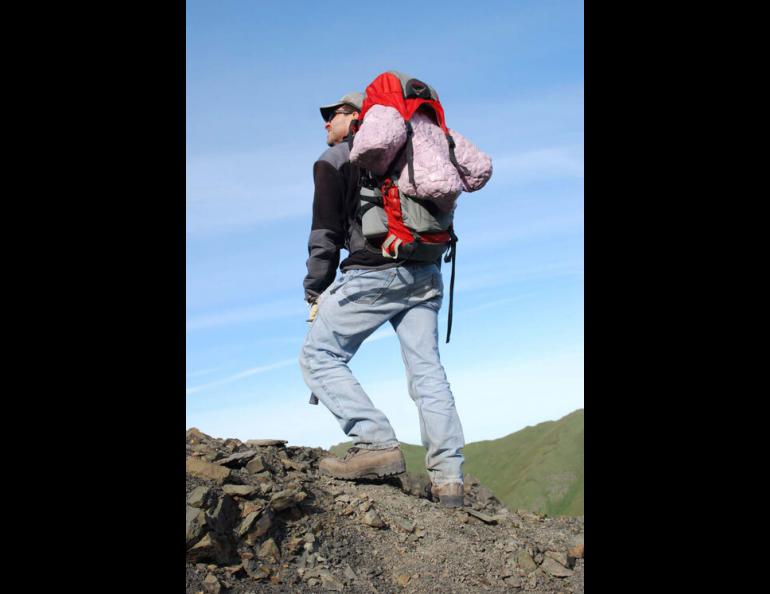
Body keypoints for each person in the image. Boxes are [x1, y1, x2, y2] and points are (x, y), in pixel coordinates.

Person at [298, 91, 466, 507]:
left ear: (356, 115)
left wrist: (315, 290)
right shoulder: (406, 150)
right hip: (425, 271)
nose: (326, 124)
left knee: (318, 355)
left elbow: (325, 234)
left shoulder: (335, 159)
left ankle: (375, 443)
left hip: (375, 272)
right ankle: (448, 480)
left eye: (332, 115)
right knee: (427, 372)